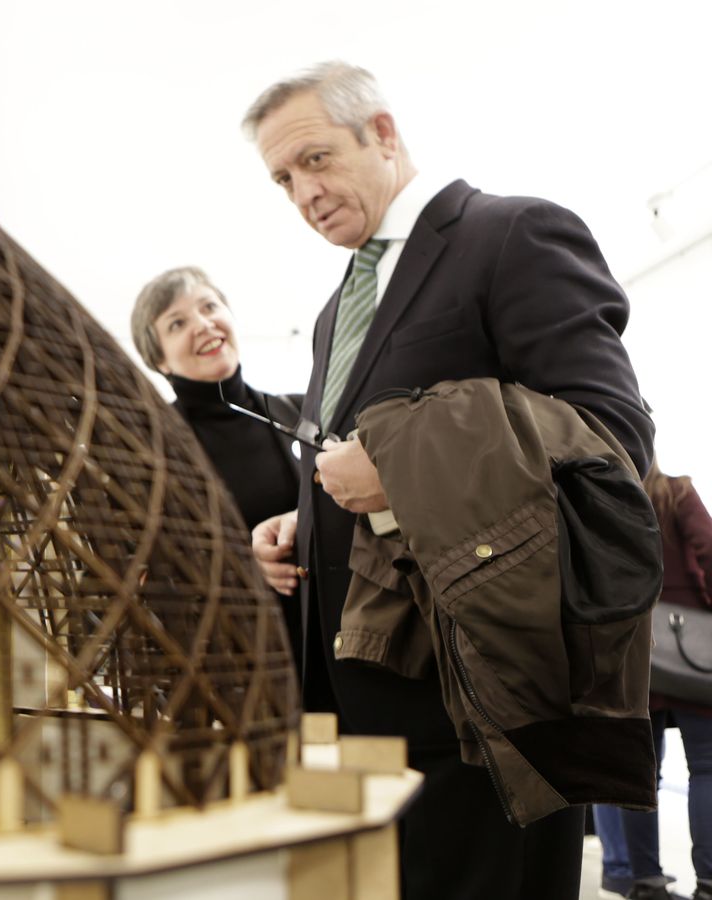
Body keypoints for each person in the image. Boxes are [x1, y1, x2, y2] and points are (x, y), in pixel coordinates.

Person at [241, 61, 654, 900]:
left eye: (316, 160)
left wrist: (395, 465)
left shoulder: (512, 234)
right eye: (284, 180)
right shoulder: (336, 310)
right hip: (357, 698)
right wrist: (305, 517)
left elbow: (612, 442)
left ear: (383, 134)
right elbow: (367, 465)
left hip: (475, 702)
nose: (303, 194)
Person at [129, 266, 304, 651]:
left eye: (209, 306)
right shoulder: (149, 451)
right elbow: (149, 574)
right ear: (159, 360)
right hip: (235, 664)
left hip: (332, 655)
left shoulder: (304, 415)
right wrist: (243, 567)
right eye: (177, 323)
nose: (203, 324)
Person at [611, 467, 712, 900]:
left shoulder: (607, 492)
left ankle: (646, 883)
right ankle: (709, 882)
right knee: (707, 768)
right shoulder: (677, 491)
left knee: (639, 774)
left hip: (633, 647)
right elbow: (709, 547)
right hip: (692, 650)